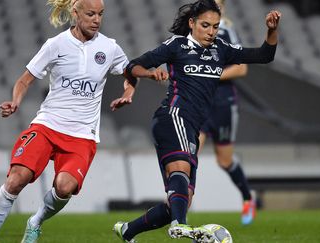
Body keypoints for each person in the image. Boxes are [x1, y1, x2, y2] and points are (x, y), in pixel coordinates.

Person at [0, 0, 147, 242]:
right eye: (91, 14)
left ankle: (35, 221)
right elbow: (24, 80)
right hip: (47, 125)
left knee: (64, 187)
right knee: (16, 179)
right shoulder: (55, 45)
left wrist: (128, 93)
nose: (97, 19)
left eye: (101, 14)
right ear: (75, 13)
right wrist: (15, 101)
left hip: (82, 135)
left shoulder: (109, 47)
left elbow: (130, 73)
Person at [113, 0, 281, 242]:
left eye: (215, 26)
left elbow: (265, 55)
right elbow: (133, 66)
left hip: (192, 127)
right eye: (205, 25)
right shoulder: (177, 45)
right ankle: (179, 226)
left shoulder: (221, 49)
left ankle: (128, 230)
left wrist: (272, 30)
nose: (211, 31)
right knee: (180, 171)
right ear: (192, 23)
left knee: (180, 200)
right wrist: (150, 73)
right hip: (172, 117)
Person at [197, 0, 255, 225]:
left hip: (222, 103)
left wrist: (212, 73)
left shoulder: (227, 30)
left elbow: (242, 67)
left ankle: (248, 197)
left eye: (220, 4)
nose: (217, 7)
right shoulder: (192, 29)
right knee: (189, 157)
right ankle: (178, 212)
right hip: (199, 103)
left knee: (225, 161)